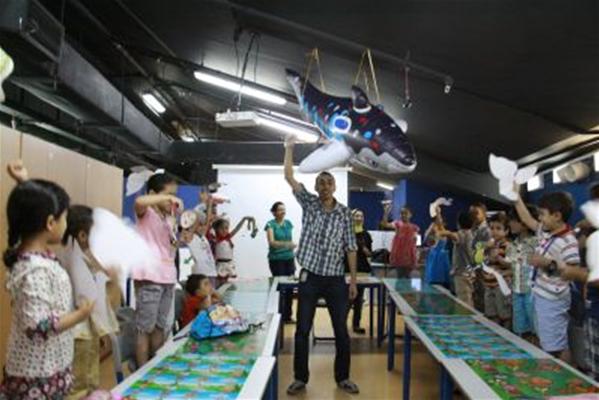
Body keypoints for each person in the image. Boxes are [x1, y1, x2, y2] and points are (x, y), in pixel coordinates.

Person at [0, 161, 94, 399]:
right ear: (50, 223)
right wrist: (80, 314)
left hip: (49, 367)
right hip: (37, 377)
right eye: (64, 218)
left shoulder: (33, 254)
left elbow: (31, 211)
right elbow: (38, 326)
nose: (66, 224)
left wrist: (24, 183)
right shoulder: (34, 269)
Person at [284, 136, 359, 395]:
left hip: (336, 280)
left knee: (341, 331)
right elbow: (289, 177)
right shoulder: (309, 204)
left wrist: (352, 280)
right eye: (321, 183)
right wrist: (289, 148)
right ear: (315, 187)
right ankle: (300, 378)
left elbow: (351, 247)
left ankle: (343, 378)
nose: (325, 186)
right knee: (302, 330)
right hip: (310, 277)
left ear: (334, 186)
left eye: (329, 183)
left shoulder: (345, 214)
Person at [62, 205, 119, 399]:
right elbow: (86, 298)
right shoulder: (74, 258)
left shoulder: (79, 256)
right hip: (80, 331)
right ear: (82, 236)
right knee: (81, 381)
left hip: (86, 328)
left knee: (88, 376)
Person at [513, 190, 579, 358]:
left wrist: (547, 263)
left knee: (555, 346)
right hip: (541, 295)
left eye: (543, 214)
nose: (540, 218)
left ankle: (561, 371)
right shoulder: (547, 232)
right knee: (548, 341)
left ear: (557, 216)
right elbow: (527, 219)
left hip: (553, 300)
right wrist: (515, 197)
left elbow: (573, 273)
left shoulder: (568, 241)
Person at [132, 173, 183, 367]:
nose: (172, 201)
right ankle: (141, 372)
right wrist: (165, 198)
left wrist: (179, 240)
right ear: (154, 194)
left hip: (167, 277)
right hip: (150, 277)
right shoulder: (146, 213)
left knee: (160, 326)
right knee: (145, 328)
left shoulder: (168, 218)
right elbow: (139, 201)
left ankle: (155, 367)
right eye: (169, 195)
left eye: (174, 196)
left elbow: (169, 246)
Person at [506, 206, 538, 338]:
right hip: (516, 290)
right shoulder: (511, 245)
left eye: (514, 220)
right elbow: (511, 266)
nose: (510, 223)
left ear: (524, 223)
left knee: (535, 327)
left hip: (531, 292)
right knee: (520, 328)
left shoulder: (536, 242)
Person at [265, 201, 296, 322]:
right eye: (280, 210)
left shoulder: (288, 223)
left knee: (290, 288)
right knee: (280, 288)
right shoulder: (270, 224)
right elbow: (272, 242)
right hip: (276, 260)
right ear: (274, 212)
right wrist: (287, 245)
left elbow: (290, 240)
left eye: (284, 209)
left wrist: (290, 246)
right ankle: (278, 317)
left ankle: (288, 316)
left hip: (289, 259)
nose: (283, 212)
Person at [482, 212, 512, 329]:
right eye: (492, 228)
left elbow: (511, 265)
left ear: (506, 231)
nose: (494, 231)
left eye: (498, 228)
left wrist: (499, 258)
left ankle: (507, 334)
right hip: (488, 284)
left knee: (504, 313)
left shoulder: (508, 246)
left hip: (501, 285)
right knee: (491, 313)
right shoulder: (489, 245)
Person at [345, 209, 373, 334]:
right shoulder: (346, 233)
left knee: (359, 299)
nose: (359, 218)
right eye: (356, 216)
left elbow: (369, 254)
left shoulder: (366, 235)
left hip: (362, 270)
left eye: (361, 216)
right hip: (347, 270)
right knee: (347, 299)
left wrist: (364, 248)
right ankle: (341, 325)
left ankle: (356, 324)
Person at [440, 212, 474, 306]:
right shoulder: (471, 234)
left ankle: (466, 316)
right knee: (467, 299)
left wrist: (445, 233)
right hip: (468, 273)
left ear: (458, 223)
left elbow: (452, 235)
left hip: (461, 273)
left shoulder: (462, 234)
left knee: (464, 302)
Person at [213, 215, 256, 284]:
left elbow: (237, 229)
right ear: (217, 229)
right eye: (221, 228)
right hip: (221, 266)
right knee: (221, 284)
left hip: (230, 265)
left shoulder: (228, 238)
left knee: (231, 284)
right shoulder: (216, 239)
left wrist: (243, 219)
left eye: (226, 228)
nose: (224, 230)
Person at [380, 205, 420, 278]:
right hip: (399, 255)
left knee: (408, 277)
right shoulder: (397, 224)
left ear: (410, 215)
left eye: (405, 213)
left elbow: (416, 244)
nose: (403, 215)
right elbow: (384, 224)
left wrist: (416, 255)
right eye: (401, 213)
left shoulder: (415, 227)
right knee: (399, 276)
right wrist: (386, 213)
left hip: (409, 256)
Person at [470, 202, 492, 312]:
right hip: (474, 266)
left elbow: (488, 247)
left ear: (484, 213)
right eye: (471, 213)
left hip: (483, 266)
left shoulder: (488, 230)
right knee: (476, 293)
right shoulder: (473, 229)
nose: (473, 216)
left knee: (484, 293)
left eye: (476, 213)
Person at [423, 209, 451, 286]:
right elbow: (426, 240)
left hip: (442, 257)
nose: (438, 221)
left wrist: (438, 213)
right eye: (437, 220)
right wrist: (431, 229)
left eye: (440, 219)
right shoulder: (433, 231)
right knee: (433, 280)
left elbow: (441, 228)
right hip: (434, 257)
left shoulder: (444, 231)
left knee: (443, 282)